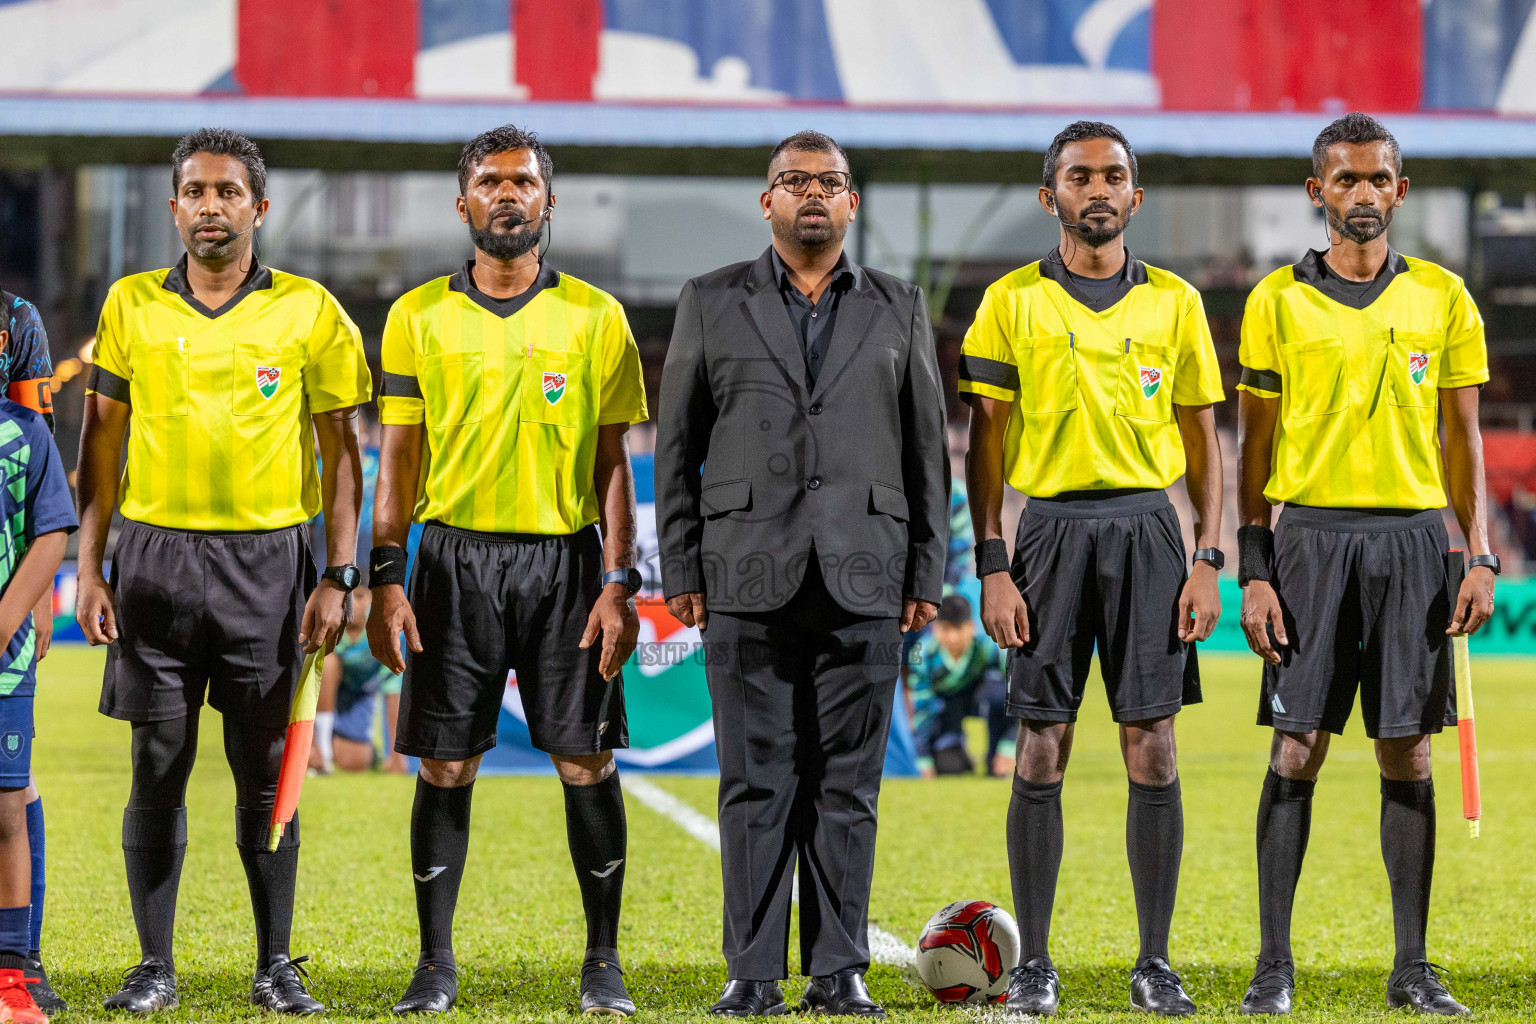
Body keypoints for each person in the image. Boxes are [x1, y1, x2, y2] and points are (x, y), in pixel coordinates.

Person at [74, 128, 371, 1014]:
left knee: (265, 767)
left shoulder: (311, 310)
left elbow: (342, 458)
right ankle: (153, 967)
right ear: (175, 208)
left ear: (259, 208)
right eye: (195, 192)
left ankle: (274, 965)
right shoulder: (128, 306)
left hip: (270, 562)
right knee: (156, 764)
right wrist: (91, 570)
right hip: (156, 557)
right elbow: (99, 449)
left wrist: (340, 574)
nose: (211, 206)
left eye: (228, 192)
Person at [656, 129, 949, 1019]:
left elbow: (926, 451)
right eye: (794, 181)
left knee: (847, 785)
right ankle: (751, 972)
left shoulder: (900, 305)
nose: (812, 194)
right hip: (744, 572)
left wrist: (927, 571)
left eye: (829, 182)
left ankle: (838, 969)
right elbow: (678, 447)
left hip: (868, 572)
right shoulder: (708, 301)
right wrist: (681, 564)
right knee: (753, 780)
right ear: (767, 201)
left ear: (852, 203)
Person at [368, 124, 647, 1017]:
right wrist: (385, 578)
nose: (507, 194)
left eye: (523, 181)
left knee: (585, 760)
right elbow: (397, 464)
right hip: (451, 561)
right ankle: (434, 964)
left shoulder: (598, 318)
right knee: (445, 767)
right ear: (464, 204)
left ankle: (602, 964)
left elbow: (614, 463)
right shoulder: (416, 317)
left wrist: (618, 581)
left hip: (566, 566)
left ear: (548, 200)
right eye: (489, 182)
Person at [961, 121, 1225, 1017]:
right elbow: (984, 446)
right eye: (1080, 176)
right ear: (1051, 196)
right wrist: (992, 562)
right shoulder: (1009, 301)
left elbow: (1204, 443)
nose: (1098, 188)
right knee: (1041, 743)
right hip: (1048, 535)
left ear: (1135, 197)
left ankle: (1155, 962)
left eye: (1114, 175)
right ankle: (1034, 965)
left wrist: (1207, 555)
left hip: (1151, 532)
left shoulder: (1178, 304)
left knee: (1152, 744)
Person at [1234, 112, 1493, 1018]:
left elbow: (1464, 443)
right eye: (1343, 180)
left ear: (1399, 190)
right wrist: (1254, 569)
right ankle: (1274, 967)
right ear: (1318, 193)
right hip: (1308, 540)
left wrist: (1481, 553)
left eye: (1377, 178)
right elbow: (1252, 452)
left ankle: (1412, 969)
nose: (1362, 194)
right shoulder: (1274, 301)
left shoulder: (1445, 299)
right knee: (1295, 746)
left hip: (1417, 542)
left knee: (1408, 751)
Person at [0, 369, 77, 1024]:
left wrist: (17, 614)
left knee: (7, 803)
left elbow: (50, 526)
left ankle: (15, 964)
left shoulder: (23, 433)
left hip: (4, 654)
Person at [908, 594, 1010, 778]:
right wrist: (923, 758)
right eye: (946, 629)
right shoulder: (922, 655)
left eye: (958, 628)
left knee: (997, 693)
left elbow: (1016, 693)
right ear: (936, 629)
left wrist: (1010, 745)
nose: (953, 638)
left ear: (971, 627)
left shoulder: (988, 647)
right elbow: (922, 710)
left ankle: (994, 755)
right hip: (947, 711)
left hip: (980, 699)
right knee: (950, 767)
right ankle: (960, 752)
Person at [310, 587, 405, 774]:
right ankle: (320, 750)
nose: (352, 602)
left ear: (371, 599)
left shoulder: (385, 628)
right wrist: (312, 744)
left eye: (359, 596)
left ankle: (337, 746)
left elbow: (393, 689)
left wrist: (396, 755)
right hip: (327, 689)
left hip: (360, 693)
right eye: (347, 596)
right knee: (327, 663)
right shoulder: (327, 621)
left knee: (356, 762)